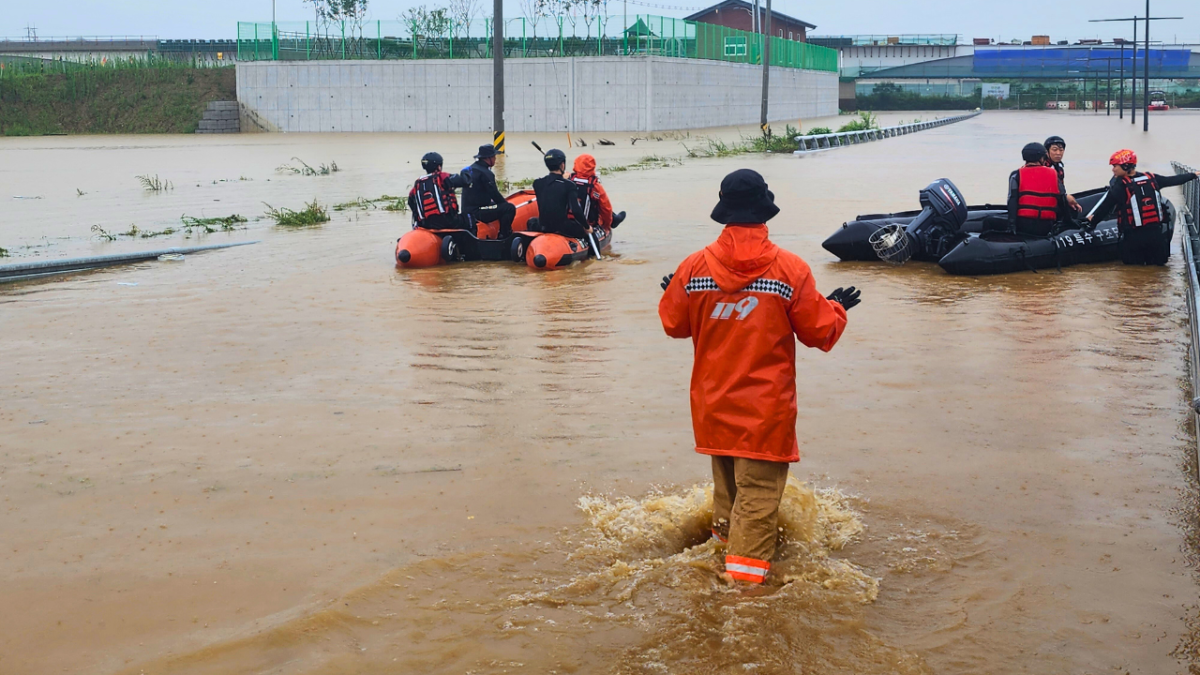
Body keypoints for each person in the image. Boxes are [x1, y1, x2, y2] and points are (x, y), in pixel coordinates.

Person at [657, 168, 860, 586]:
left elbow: (674, 324)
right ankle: (745, 599)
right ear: (764, 210)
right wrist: (835, 307)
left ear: (724, 210)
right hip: (764, 414)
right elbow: (820, 333)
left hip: (713, 407)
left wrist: (679, 293)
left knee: (728, 498)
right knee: (758, 501)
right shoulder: (790, 270)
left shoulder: (693, 268)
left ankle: (715, 570)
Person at [1084, 149, 1200, 265]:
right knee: (1157, 269)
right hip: (1156, 236)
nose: (1113, 169)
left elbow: (1105, 208)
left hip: (1133, 238)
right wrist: (1193, 175)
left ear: (1125, 166)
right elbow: (1173, 180)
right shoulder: (1152, 178)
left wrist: (1092, 222)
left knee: (1133, 271)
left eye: (1115, 166)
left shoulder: (1120, 186)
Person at [1006, 142, 1068, 237]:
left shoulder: (1016, 175)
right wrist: (1068, 221)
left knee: (990, 221)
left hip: (1023, 224)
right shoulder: (1054, 174)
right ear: (1041, 158)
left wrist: (1011, 226)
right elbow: (1062, 199)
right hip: (1046, 225)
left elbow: (1012, 200)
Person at [461, 144, 516, 236]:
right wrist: (505, 204)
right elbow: (495, 194)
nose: (495, 159)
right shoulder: (486, 173)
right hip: (477, 213)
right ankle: (504, 235)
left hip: (466, 211)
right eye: (494, 157)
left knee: (496, 205)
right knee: (509, 208)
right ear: (488, 158)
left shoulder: (470, 169)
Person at [532, 149, 588, 238]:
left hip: (543, 226)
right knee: (586, 231)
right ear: (562, 165)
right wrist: (587, 227)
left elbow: (552, 188)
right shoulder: (569, 185)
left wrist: (562, 179)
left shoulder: (537, 183)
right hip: (563, 228)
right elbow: (576, 210)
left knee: (532, 221)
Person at [407, 152, 470, 230]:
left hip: (426, 224)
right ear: (439, 166)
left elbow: (411, 203)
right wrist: (465, 173)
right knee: (470, 219)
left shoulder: (417, 184)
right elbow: (465, 181)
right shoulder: (442, 177)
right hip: (448, 221)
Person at [569, 154, 626, 230]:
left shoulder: (567, 181)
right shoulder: (596, 187)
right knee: (599, 205)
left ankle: (614, 218)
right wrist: (607, 225)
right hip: (588, 225)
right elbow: (606, 209)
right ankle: (614, 220)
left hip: (567, 222)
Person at [1043, 135, 1081, 213]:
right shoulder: (1044, 167)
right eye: (1054, 150)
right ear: (1047, 151)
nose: (1058, 153)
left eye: (1061, 150)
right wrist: (1066, 197)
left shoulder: (1059, 168)